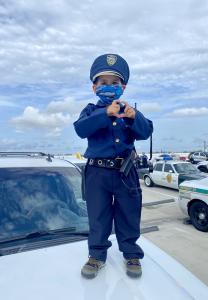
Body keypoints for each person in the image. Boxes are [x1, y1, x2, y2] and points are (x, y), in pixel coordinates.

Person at [74, 53, 153, 279]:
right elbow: (81, 129)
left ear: (123, 87)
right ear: (94, 87)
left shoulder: (129, 112)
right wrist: (104, 113)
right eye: (103, 83)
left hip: (125, 172)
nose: (109, 87)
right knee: (98, 216)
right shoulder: (90, 110)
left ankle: (131, 254)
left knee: (129, 213)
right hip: (96, 173)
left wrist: (133, 116)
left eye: (115, 83)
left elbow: (146, 131)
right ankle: (97, 256)